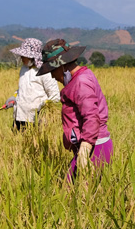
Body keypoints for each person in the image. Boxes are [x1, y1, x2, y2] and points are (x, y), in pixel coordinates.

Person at [37, 38, 111, 180]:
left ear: (61, 66)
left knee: (73, 193)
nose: (52, 76)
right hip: (89, 146)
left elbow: (91, 116)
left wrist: (86, 147)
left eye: (52, 70)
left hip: (95, 147)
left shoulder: (81, 82)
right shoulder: (80, 78)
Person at [8, 38, 61, 130]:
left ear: (32, 57)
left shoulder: (45, 72)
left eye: (24, 55)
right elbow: (23, 89)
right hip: (20, 117)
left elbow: (55, 95)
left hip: (36, 120)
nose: (21, 58)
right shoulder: (24, 69)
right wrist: (14, 97)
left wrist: (44, 110)